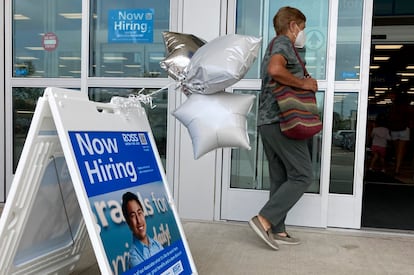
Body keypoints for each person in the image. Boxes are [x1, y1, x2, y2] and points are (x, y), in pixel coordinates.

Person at [249, 6, 318, 250]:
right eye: (303, 28)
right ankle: (264, 219)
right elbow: (275, 69)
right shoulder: (283, 43)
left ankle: (277, 229)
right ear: (293, 26)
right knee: (302, 175)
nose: (303, 33)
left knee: (280, 177)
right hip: (283, 121)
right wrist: (304, 83)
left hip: (268, 122)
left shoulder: (275, 44)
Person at [122, 192, 164, 268]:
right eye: (133, 216)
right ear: (128, 223)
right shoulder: (134, 258)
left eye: (139, 213)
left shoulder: (157, 244)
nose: (139, 220)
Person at [388, 92, 410, 176]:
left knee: (397, 150)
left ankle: (396, 166)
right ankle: (397, 169)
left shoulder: (393, 106)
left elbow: (390, 118)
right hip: (404, 129)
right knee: (400, 151)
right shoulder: (406, 106)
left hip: (394, 129)